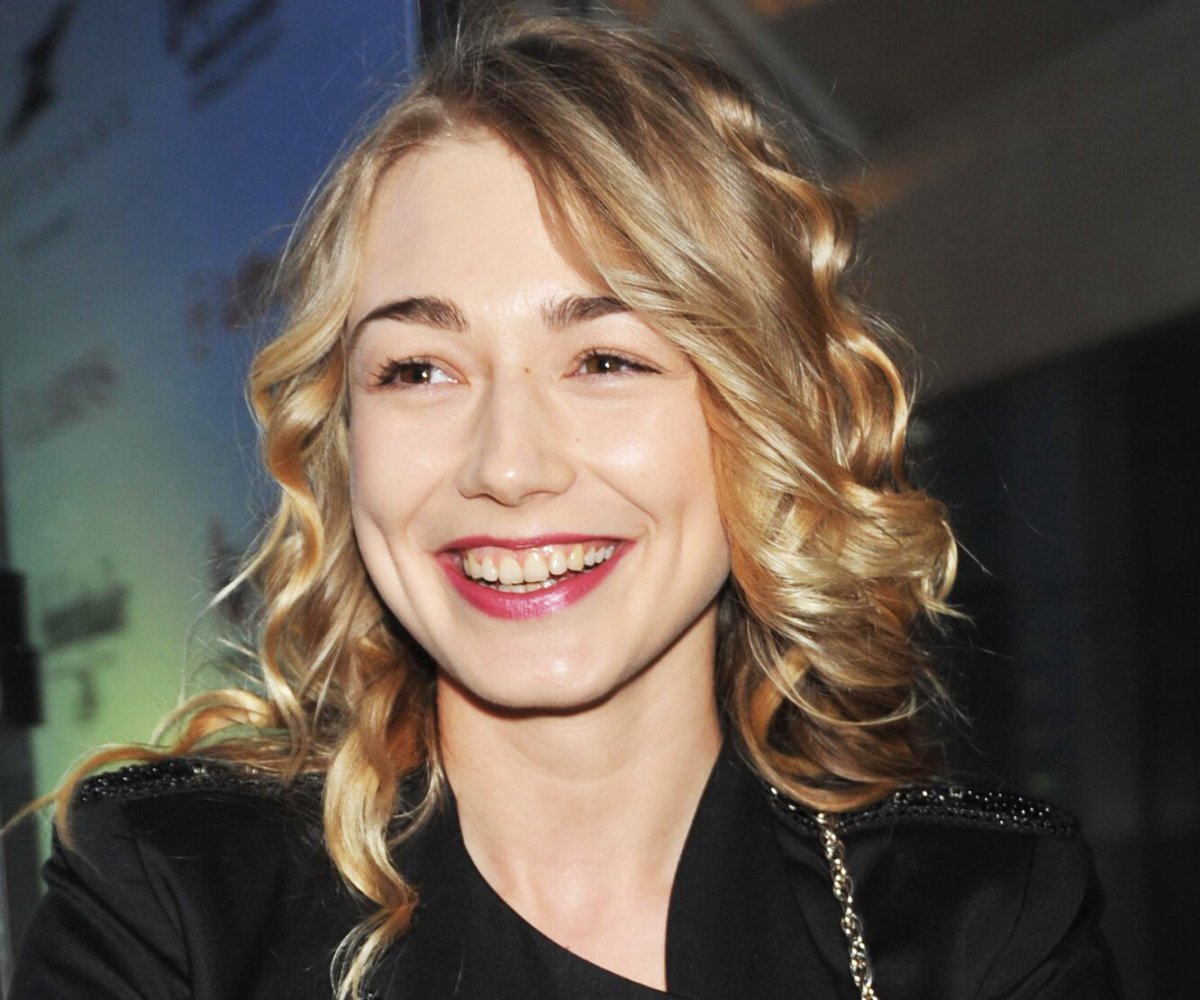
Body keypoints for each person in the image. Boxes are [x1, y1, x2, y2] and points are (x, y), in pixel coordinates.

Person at [11, 16, 1121, 1000]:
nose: (508, 464)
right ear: (343, 441)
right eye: (419, 369)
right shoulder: (177, 900)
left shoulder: (979, 918)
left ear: (761, 413)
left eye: (604, 359)